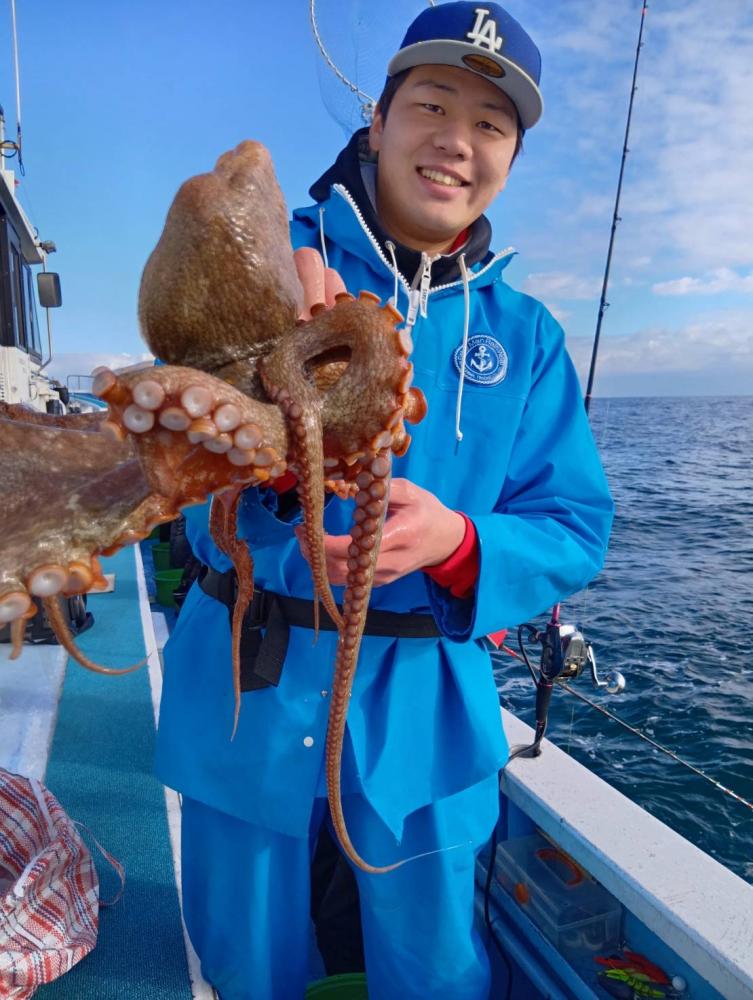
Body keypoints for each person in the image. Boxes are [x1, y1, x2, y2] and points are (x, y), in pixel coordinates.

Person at [154, 4, 614, 998]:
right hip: (247, 682)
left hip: (426, 711)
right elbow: (177, 462)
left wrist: (458, 540)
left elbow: (574, 525)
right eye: (431, 105)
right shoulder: (276, 263)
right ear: (378, 122)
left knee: (432, 967)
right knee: (245, 961)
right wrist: (274, 436)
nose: (456, 139)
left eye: (490, 124)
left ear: (511, 158)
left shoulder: (526, 336)